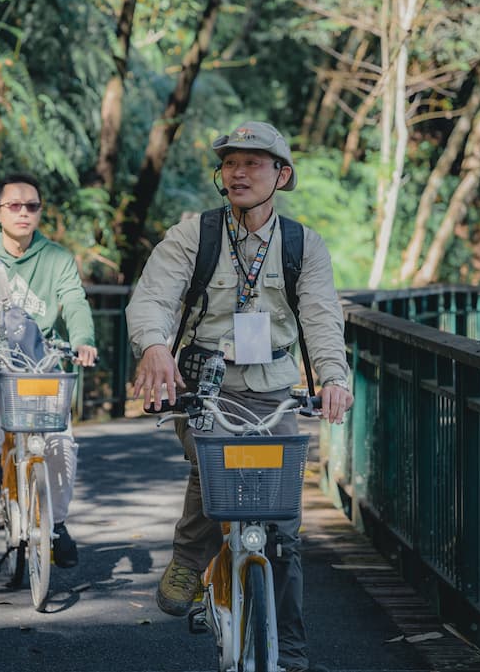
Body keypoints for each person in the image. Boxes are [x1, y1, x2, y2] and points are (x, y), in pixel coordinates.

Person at [125, 121, 354, 672]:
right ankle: (188, 557)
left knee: (284, 529)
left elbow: (322, 317)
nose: (240, 172)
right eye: (231, 162)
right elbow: (153, 296)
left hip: (273, 389)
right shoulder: (194, 235)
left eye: (255, 162)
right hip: (206, 384)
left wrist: (334, 378)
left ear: (282, 174)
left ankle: (290, 653)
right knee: (216, 468)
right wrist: (154, 346)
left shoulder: (303, 244)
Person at [0, 172, 97, 569]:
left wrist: (84, 340)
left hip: (41, 358)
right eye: (14, 206)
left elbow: (75, 300)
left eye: (31, 206)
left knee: (61, 443)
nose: (23, 213)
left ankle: (59, 524)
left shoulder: (56, 258)